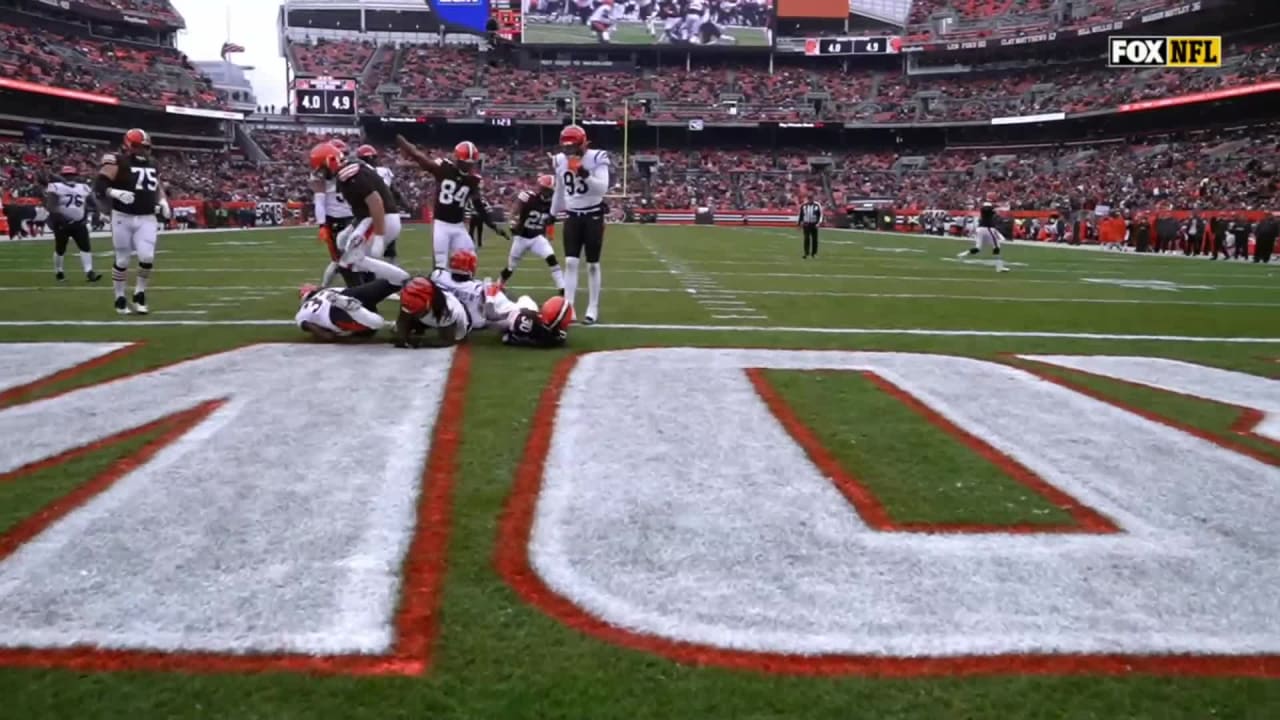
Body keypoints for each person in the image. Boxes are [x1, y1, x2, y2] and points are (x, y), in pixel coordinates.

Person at [395, 135, 508, 267]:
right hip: (441, 224)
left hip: (458, 226)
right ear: (458, 160)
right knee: (440, 264)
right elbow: (420, 157)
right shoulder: (444, 168)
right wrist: (405, 144)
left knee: (470, 260)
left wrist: (493, 226)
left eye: (471, 163)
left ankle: (462, 286)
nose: (469, 166)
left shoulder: (473, 180)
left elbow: (478, 205)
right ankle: (436, 286)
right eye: (466, 162)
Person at [308, 142, 409, 288]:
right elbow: (363, 208)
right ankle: (364, 293)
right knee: (347, 254)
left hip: (381, 218)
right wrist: (352, 228)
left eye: (322, 169)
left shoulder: (350, 174)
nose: (321, 174)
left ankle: (404, 280)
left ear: (330, 161)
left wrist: (379, 236)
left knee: (351, 261)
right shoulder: (346, 171)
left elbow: (376, 203)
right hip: (372, 218)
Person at [95, 128, 171, 314]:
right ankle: (119, 297)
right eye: (138, 146)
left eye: (145, 147)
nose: (142, 150)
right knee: (122, 259)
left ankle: (140, 293)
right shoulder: (117, 161)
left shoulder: (153, 163)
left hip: (147, 216)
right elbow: (100, 184)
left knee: (147, 257)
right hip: (123, 216)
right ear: (128, 145)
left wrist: (162, 201)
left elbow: (156, 186)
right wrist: (115, 193)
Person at [551, 124, 610, 324]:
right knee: (570, 262)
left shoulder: (596, 157)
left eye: (572, 147)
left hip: (593, 214)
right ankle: (568, 307)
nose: (568, 152)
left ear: (583, 144)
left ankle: (593, 307)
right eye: (565, 148)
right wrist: (551, 215)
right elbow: (559, 190)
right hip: (572, 215)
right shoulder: (559, 160)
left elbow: (602, 188)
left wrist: (584, 173)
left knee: (592, 264)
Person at [501, 174, 565, 292]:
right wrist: (512, 221)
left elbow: (550, 221)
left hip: (537, 237)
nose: (546, 192)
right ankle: (499, 284)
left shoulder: (552, 204)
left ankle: (563, 288)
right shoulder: (528, 197)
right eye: (544, 189)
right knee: (510, 267)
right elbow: (514, 210)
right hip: (521, 237)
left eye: (548, 190)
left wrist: (548, 232)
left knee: (552, 259)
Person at [44, 165, 101, 283]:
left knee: (85, 247)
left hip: (79, 223)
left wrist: (93, 213)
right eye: (67, 175)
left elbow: (93, 204)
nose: (70, 177)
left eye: (72, 175)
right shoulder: (56, 187)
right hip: (62, 223)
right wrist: (61, 219)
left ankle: (89, 272)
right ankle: (59, 271)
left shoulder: (83, 187)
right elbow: (51, 205)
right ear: (62, 176)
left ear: (76, 176)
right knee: (60, 249)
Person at [295, 279, 399, 342]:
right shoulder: (326, 290)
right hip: (349, 294)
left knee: (374, 324)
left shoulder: (302, 314)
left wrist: (337, 334)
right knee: (392, 283)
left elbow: (327, 336)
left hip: (335, 314)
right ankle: (409, 281)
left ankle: (397, 327)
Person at [315, 139, 357, 287]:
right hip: (335, 219)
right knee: (340, 259)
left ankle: (361, 287)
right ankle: (324, 288)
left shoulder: (351, 169)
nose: (342, 158)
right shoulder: (321, 175)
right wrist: (322, 225)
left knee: (357, 256)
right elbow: (319, 200)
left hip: (352, 217)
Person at [392, 275, 472, 348]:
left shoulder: (447, 311)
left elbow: (447, 341)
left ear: (428, 303)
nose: (411, 312)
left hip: (455, 320)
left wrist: (422, 343)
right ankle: (420, 326)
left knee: (455, 338)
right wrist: (403, 339)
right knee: (399, 329)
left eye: (416, 309)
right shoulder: (409, 298)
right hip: (431, 314)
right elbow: (402, 321)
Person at [485, 286, 573, 348]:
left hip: (504, 310)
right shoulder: (554, 338)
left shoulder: (528, 318)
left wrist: (490, 296)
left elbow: (492, 316)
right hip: (514, 312)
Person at [956, 200, 1010, 272]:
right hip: (988, 229)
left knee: (978, 248)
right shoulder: (986, 210)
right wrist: (998, 207)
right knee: (996, 248)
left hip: (981, 229)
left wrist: (997, 207)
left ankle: (962, 255)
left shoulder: (986, 211)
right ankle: (999, 267)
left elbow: (993, 210)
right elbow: (991, 209)